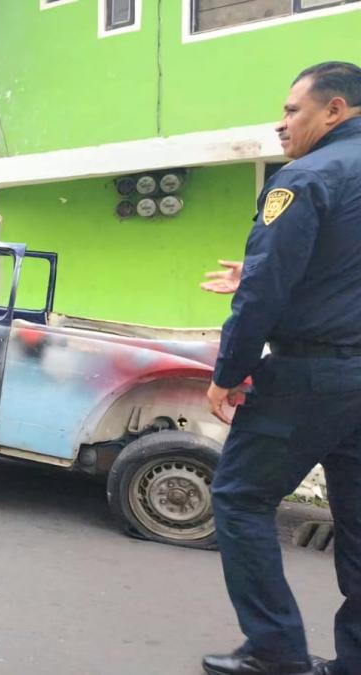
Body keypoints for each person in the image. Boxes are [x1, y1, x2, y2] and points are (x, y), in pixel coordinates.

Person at [201, 62, 361, 675]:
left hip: (308, 380)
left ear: (334, 110)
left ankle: (276, 654)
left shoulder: (306, 177)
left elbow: (264, 291)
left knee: (240, 498)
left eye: (293, 110)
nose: (282, 122)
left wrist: (230, 371)